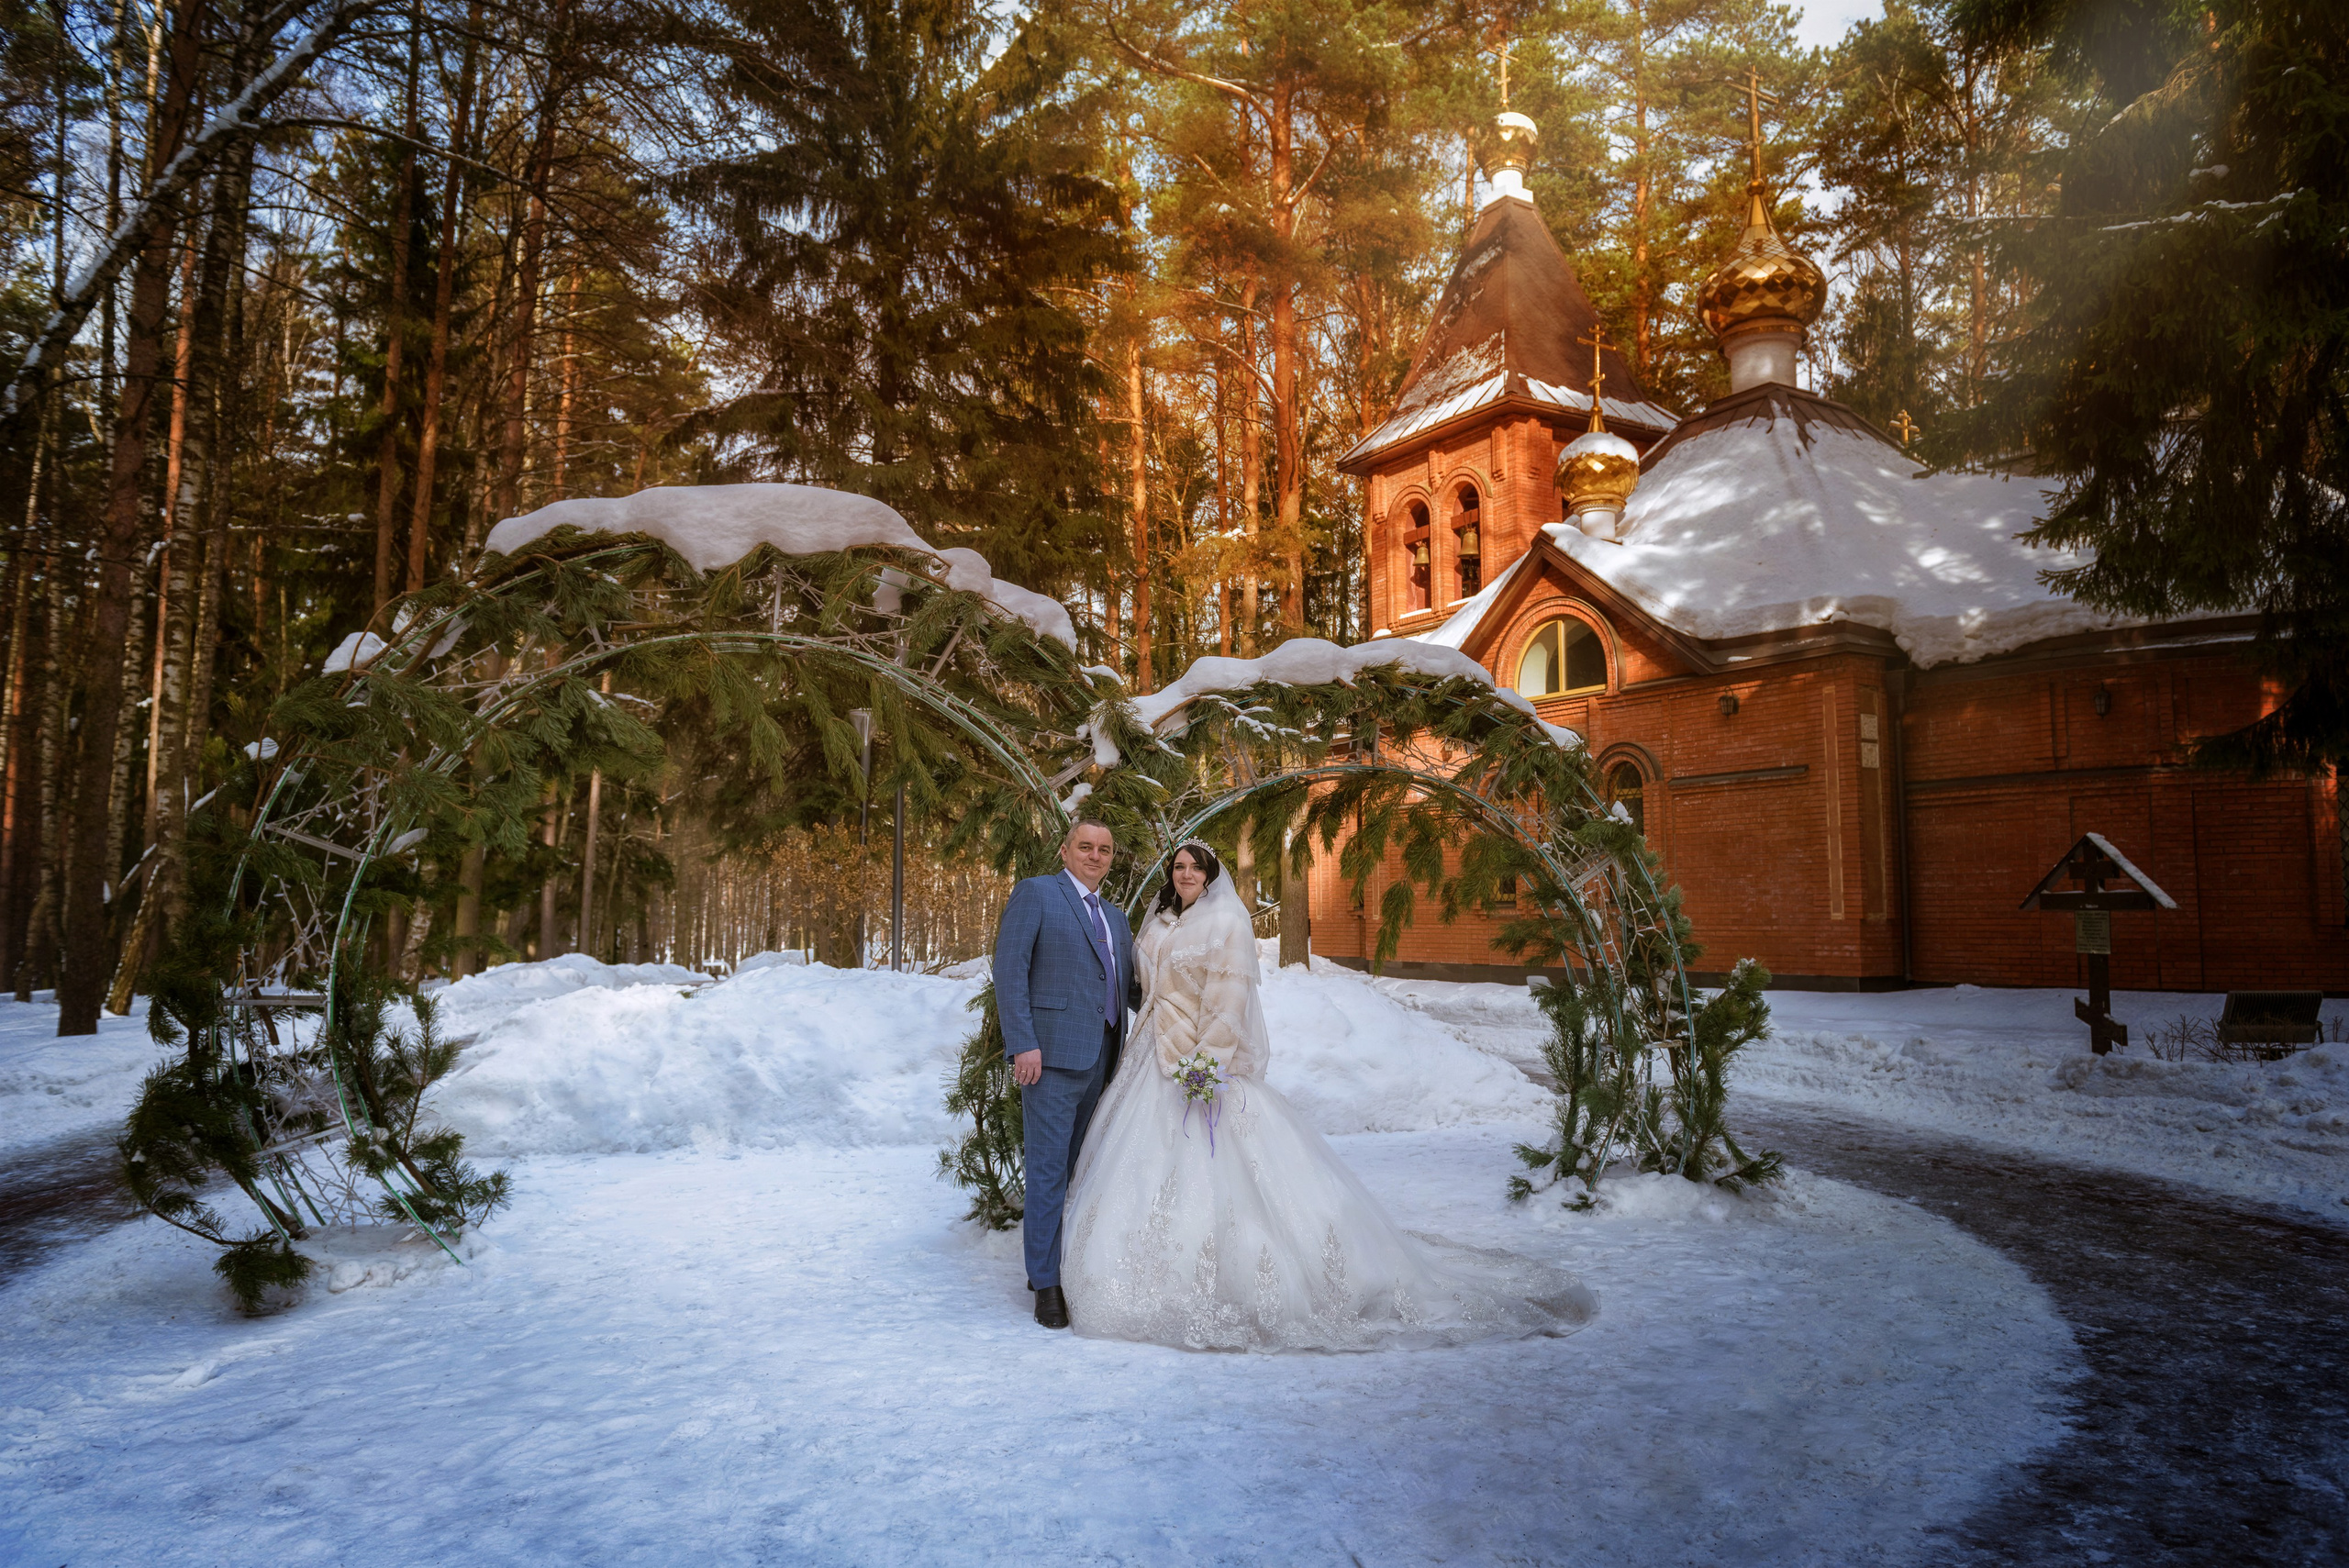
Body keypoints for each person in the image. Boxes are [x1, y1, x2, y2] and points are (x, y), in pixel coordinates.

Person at [1059, 840, 1596, 1351]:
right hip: (1150, 1057)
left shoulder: (1224, 922)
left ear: (1212, 876)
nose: (1186, 874)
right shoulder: (1160, 919)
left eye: (1196, 867)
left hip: (1198, 1062)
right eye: (1178, 866)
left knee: (1216, 1168)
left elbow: (1230, 1001)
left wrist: (1208, 1065)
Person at [992, 816, 1141, 1329]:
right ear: (1065, 850)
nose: (1095, 856)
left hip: (1103, 1060)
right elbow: (1009, 969)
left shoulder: (1117, 919)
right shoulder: (1036, 894)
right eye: (1085, 846)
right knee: (1050, 1171)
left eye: (1104, 849)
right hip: (1050, 1060)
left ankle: (1070, 1266)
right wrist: (1023, 1044)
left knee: (1083, 1171)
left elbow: (1130, 989)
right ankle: (1046, 1283)